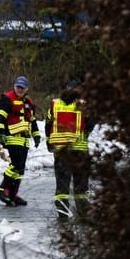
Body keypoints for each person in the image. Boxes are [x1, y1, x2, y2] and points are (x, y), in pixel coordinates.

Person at [48, 78, 90, 220]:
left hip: (61, 151)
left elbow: (49, 125)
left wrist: (50, 142)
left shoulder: (55, 104)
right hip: (79, 151)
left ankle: (63, 214)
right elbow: (90, 125)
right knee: (80, 186)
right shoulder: (84, 106)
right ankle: (83, 213)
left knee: (62, 185)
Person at [0, 75, 38, 206]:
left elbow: (32, 120)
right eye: (18, 87)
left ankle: (13, 194)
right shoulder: (7, 98)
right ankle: (2, 189)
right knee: (15, 165)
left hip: (24, 140)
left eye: (22, 88)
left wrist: (36, 135)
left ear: (26, 89)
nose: (19, 89)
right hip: (12, 138)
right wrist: (1, 133)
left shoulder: (28, 103)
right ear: (14, 86)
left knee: (20, 170)